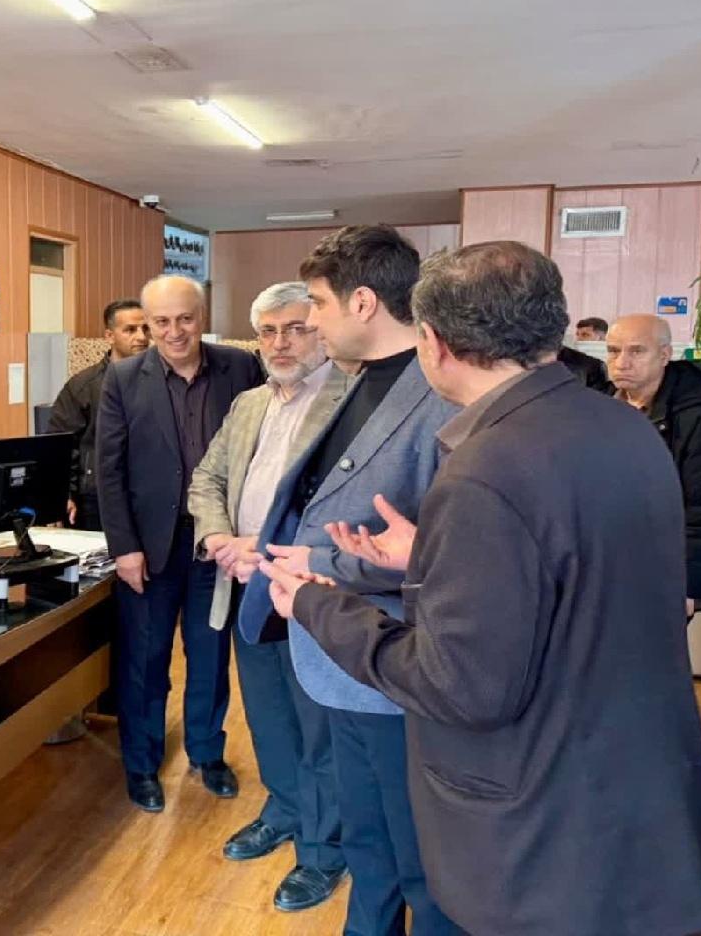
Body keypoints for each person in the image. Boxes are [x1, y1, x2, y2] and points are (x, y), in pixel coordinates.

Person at [262, 241, 701, 936]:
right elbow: (571, 578)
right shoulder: (622, 427)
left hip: (543, 825)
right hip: (634, 796)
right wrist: (431, 554)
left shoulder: (486, 468)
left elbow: (459, 686)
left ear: (434, 342)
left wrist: (315, 603)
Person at [240, 226, 459, 936]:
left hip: (395, 661)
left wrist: (322, 566)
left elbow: (446, 550)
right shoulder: (356, 381)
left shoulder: (442, 395)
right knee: (367, 843)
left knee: (420, 859)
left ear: (363, 302)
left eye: (318, 304)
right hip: (337, 656)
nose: (311, 321)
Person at [187, 282, 348, 912]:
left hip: (307, 589)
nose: (281, 343)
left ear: (322, 332)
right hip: (245, 585)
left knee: (319, 725)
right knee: (268, 713)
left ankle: (324, 848)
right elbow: (208, 478)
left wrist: (263, 545)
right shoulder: (249, 402)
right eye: (269, 331)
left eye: (296, 328)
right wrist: (218, 538)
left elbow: (340, 506)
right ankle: (284, 809)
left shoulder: (349, 400)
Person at [96, 274, 263, 812]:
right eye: (161, 322)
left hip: (217, 544)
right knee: (145, 662)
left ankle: (208, 754)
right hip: (149, 548)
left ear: (202, 317)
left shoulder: (240, 368)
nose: (174, 332)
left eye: (185, 319)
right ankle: (142, 765)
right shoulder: (124, 378)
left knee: (210, 656)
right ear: (148, 324)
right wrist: (124, 547)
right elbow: (109, 469)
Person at [606, 313, 701, 614]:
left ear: (665, 355)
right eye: (614, 351)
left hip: (664, 572)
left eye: (636, 351)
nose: (621, 362)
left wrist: (689, 586)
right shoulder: (600, 409)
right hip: (605, 568)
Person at [47, 299, 150, 530]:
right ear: (109, 336)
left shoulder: (162, 381)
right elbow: (59, 444)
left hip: (149, 495)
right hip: (97, 498)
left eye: (145, 328)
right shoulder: (84, 386)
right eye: (130, 330)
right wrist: (61, 495)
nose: (141, 337)